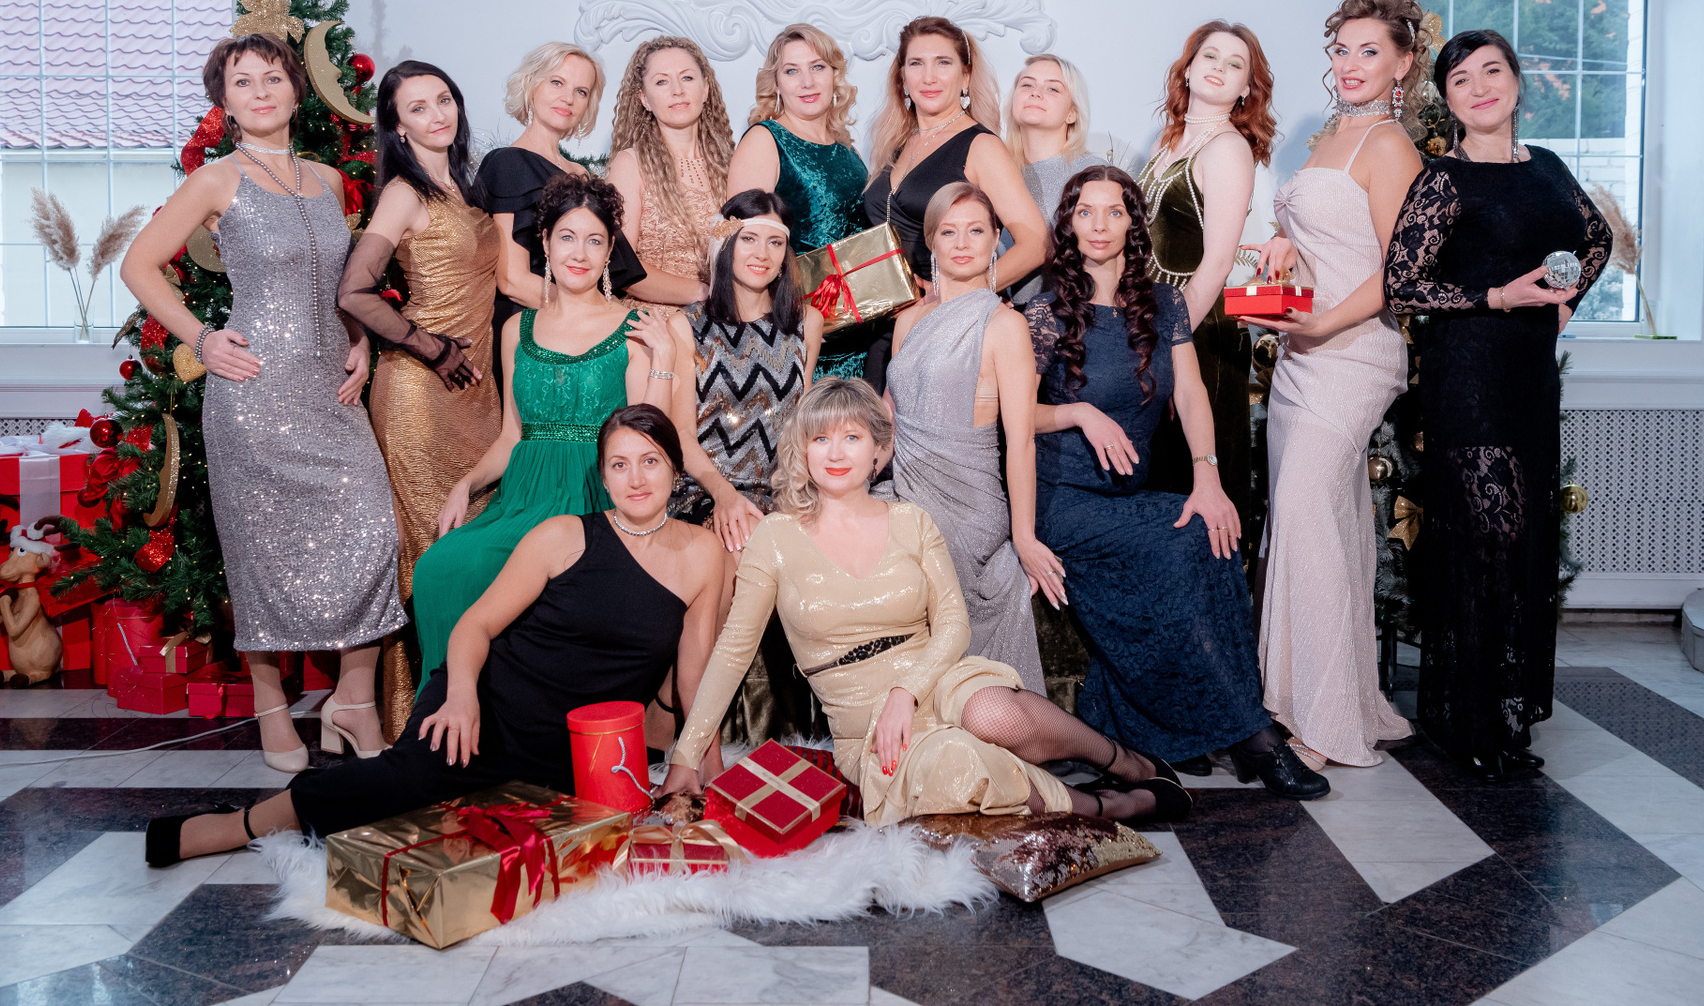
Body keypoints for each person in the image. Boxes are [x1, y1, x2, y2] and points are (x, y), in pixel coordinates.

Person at [145, 406, 727, 864]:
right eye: (619, 464)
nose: (635, 478)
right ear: (602, 476)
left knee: (513, 838)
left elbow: (698, 674)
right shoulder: (564, 535)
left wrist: (700, 763)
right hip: (488, 703)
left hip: (573, 747)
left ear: (675, 469)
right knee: (406, 785)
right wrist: (461, 698)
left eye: (650, 461)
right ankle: (237, 825)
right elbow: (475, 624)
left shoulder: (702, 554)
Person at [658, 379, 1192, 827]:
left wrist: (906, 691)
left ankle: (1123, 760)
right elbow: (732, 653)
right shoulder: (775, 537)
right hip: (865, 721)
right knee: (956, 762)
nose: (836, 453)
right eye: (821, 439)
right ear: (803, 451)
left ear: (878, 449)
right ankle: (1104, 806)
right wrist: (685, 756)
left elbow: (954, 625)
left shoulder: (910, 520)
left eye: (852, 437)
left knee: (992, 713)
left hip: (934, 677)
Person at [119, 33, 405, 772]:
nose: (260, 91)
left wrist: (360, 340)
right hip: (253, 394)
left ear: (295, 89)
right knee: (261, 554)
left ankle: (353, 702)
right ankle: (272, 710)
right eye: (242, 82)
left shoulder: (327, 179)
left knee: (374, 531)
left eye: (272, 77)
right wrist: (201, 338)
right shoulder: (215, 180)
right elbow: (139, 264)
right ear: (224, 101)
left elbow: (343, 284)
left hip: (331, 392)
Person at [1028, 166, 1328, 798]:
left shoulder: (1164, 305)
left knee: (1210, 529)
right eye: (1086, 212)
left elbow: (1190, 394)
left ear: (1134, 225)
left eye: (1115, 212)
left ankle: (1165, 730)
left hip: (1126, 495)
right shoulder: (1045, 311)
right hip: (1062, 500)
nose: (1100, 225)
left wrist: (1207, 478)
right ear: (1069, 224)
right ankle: (1255, 739)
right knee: (1180, 544)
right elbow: (1010, 414)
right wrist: (1078, 412)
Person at [1385, 27, 1612, 783]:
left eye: (1492, 71)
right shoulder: (1443, 180)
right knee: (1487, 536)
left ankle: (1507, 717)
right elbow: (1402, 285)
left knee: (1521, 546)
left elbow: (1595, 238)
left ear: (1516, 81)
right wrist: (1497, 296)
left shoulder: (1545, 166)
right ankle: (1467, 720)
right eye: (1462, 79)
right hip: (1468, 376)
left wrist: (1565, 300)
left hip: (1529, 379)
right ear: (1446, 99)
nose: (1480, 87)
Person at [1235, 0, 1430, 771]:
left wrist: (1320, 325)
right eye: (1341, 50)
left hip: (1352, 354)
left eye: (1369, 52)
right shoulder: (1331, 136)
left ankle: (1323, 725)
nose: (1350, 64)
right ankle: (1328, 699)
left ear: (1403, 64)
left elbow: (1398, 274)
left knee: (1309, 517)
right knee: (1328, 524)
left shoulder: (1389, 146)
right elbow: (1329, 237)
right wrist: (1285, 246)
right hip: (1302, 354)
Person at [408, 175, 677, 679]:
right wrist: (466, 483)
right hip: (522, 498)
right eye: (567, 237)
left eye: (594, 240)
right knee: (441, 568)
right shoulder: (516, 329)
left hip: (593, 497)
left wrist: (662, 360)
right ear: (546, 243)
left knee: (558, 589)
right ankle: (453, 709)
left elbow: (648, 439)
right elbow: (512, 437)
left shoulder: (635, 329)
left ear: (610, 251)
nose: (579, 253)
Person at [338, 61, 502, 742]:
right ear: (398, 126)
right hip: (420, 395)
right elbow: (354, 290)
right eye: (418, 107)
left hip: (480, 391)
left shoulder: (468, 183)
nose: (437, 115)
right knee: (429, 551)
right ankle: (414, 718)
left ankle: (474, 710)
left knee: (480, 546)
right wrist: (429, 347)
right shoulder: (405, 193)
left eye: (444, 100)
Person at [663, 189, 826, 743]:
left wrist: (803, 500)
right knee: (734, 556)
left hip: (779, 490)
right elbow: (681, 436)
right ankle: (692, 735)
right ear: (725, 244)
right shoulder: (688, 326)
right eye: (748, 238)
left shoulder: (807, 323)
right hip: (705, 487)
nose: (761, 253)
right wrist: (725, 495)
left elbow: (800, 427)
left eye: (775, 242)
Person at [885, 182, 1055, 694]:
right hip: (902, 490)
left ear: (996, 239)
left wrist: (1023, 537)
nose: (962, 243)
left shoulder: (1005, 325)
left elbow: (1021, 440)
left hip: (968, 506)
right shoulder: (907, 320)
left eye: (976, 231)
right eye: (948, 232)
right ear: (931, 242)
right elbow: (889, 421)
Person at [477, 42, 703, 391]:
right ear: (531, 86)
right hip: (533, 337)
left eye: (581, 91)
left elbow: (615, 271)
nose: (568, 98)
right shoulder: (507, 162)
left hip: (583, 339)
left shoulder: (580, 174)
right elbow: (512, 280)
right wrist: (597, 318)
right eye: (556, 82)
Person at [860, 16, 1050, 388]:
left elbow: (1037, 242)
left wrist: (958, 293)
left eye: (943, 63)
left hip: (947, 330)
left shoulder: (981, 146)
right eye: (917, 63)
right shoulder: (894, 144)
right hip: (885, 329)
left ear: (965, 77)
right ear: (902, 78)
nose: (929, 77)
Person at [1134, 21, 1275, 511]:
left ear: (1246, 89)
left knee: (1192, 483)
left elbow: (1216, 264)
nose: (1220, 68)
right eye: (1210, 56)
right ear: (1188, 69)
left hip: (1197, 330)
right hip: (1152, 318)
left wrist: (1164, 346)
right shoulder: (1167, 141)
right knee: (1157, 476)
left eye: (1236, 64)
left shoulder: (1228, 149)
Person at [727, 23, 873, 377]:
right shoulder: (764, 140)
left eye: (817, 67)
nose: (806, 82)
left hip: (856, 330)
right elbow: (737, 244)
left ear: (834, 76)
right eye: (792, 71)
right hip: (796, 331)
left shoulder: (847, 149)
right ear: (776, 83)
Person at [605, 37, 735, 317]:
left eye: (687, 78)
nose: (677, 90)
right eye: (662, 82)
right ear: (644, 98)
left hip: (729, 322)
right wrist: (705, 293)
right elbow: (621, 266)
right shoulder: (630, 164)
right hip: (655, 325)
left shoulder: (732, 164)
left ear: (706, 89)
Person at [999, 53, 1099, 303]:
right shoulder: (994, 169)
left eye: (1053, 88)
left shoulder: (1093, 174)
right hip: (994, 315)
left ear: (1072, 113)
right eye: (1027, 85)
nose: (1036, 93)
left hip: (1067, 316)